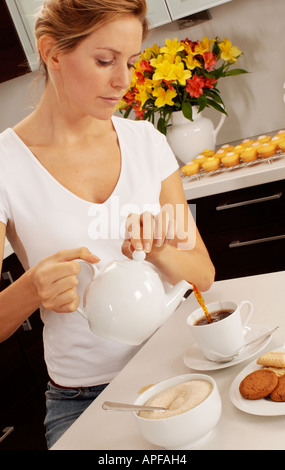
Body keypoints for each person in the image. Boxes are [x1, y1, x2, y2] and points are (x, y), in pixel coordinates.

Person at [0, 0, 215, 448]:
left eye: (131, 61)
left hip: (185, 368)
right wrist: (30, 290)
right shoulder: (5, 165)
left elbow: (204, 275)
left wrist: (159, 250)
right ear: (52, 52)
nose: (124, 81)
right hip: (87, 399)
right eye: (104, 61)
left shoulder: (145, 143)